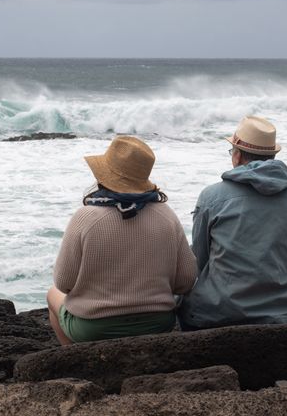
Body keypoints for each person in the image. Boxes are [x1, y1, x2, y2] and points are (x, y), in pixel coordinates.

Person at [178, 115, 287, 330]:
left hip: (219, 314)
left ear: (238, 155)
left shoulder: (211, 197)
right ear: (272, 156)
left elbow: (199, 261)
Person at [47, 135, 197, 345]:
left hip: (94, 328)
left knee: (52, 294)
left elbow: (64, 283)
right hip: (157, 323)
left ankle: (75, 361)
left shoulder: (86, 217)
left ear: (103, 175)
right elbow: (186, 281)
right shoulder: (167, 215)